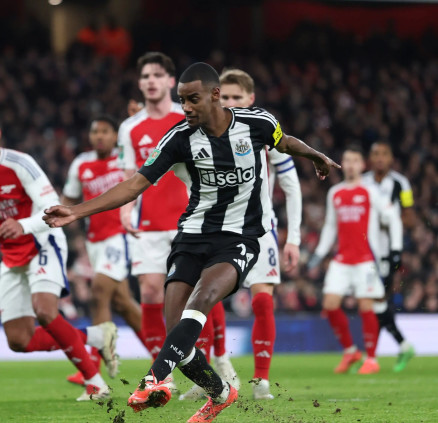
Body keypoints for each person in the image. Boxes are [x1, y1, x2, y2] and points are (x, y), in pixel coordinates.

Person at [45, 62, 338, 422]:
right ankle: (221, 393)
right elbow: (134, 185)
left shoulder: (257, 123)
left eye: (193, 99)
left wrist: (315, 155)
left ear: (215, 95)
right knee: (178, 336)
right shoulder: (178, 138)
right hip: (192, 236)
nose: (185, 107)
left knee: (201, 299)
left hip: (240, 238)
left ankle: (153, 378)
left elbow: (286, 141)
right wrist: (76, 211)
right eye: (182, 100)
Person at [0, 106, 117, 401]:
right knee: (19, 341)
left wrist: (23, 225)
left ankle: (95, 383)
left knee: (45, 311)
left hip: (42, 240)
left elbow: (52, 206)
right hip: (10, 254)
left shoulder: (20, 164)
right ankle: (97, 336)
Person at [181, 68, 304, 401]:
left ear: (251, 99)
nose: (231, 102)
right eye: (226, 96)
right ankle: (211, 371)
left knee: (262, 299)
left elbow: (291, 185)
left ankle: (261, 379)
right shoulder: (202, 134)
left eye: (238, 97)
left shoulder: (263, 131)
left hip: (260, 230)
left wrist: (293, 238)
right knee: (205, 300)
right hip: (218, 231)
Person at [61, 115, 150, 386]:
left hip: (121, 236)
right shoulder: (81, 163)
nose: (99, 136)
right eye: (95, 131)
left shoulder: (125, 161)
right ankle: (167, 354)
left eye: (105, 131)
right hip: (95, 241)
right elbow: (69, 198)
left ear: (115, 136)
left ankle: (91, 370)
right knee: (123, 304)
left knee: (99, 291)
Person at [117, 52, 187, 390]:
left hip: (189, 219)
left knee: (191, 296)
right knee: (148, 291)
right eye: (145, 76)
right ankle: (163, 374)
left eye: (157, 74)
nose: (151, 81)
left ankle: (215, 362)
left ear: (171, 81)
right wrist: (125, 210)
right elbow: (129, 175)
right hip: (148, 223)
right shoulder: (129, 127)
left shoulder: (187, 118)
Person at [308, 145, 402, 375]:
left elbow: (392, 217)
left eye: (354, 161)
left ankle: (372, 359)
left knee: (366, 306)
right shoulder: (335, 193)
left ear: (362, 165)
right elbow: (330, 226)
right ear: (342, 164)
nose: (350, 165)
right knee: (330, 305)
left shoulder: (371, 192)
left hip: (365, 260)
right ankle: (350, 351)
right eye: (347, 161)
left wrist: (396, 249)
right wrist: (319, 253)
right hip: (342, 260)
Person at [362, 141, 415, 372]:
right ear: (370, 158)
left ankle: (374, 355)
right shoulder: (362, 182)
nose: (380, 158)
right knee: (375, 302)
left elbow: (410, 218)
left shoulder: (401, 184)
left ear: (391, 158)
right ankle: (396, 347)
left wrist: (388, 220)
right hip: (364, 251)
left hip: (386, 253)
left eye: (384, 154)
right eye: (376, 154)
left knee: (375, 301)